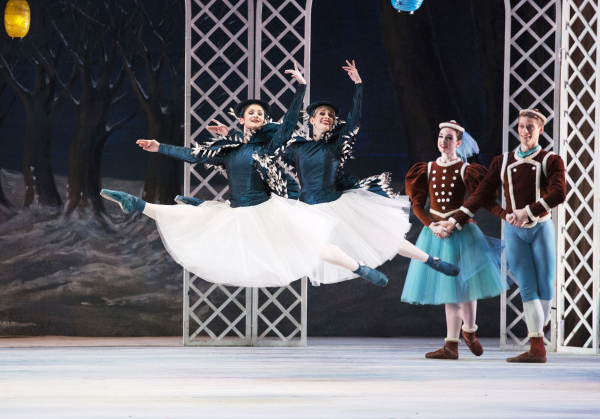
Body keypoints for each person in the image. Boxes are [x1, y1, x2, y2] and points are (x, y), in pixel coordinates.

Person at [100, 63, 388, 288]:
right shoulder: (229, 150)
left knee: (313, 248)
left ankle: (359, 268)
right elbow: (193, 155)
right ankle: (136, 204)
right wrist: (159, 147)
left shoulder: (269, 146)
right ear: (241, 119)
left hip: (265, 210)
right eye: (251, 112)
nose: (257, 115)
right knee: (191, 220)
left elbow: (287, 125)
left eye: (261, 114)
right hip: (238, 210)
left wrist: (300, 90)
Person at [209, 61, 460, 285]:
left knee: (379, 237)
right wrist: (231, 136)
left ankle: (431, 260)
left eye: (330, 115)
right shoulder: (297, 147)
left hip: (337, 203)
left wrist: (359, 87)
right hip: (309, 209)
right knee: (306, 246)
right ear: (311, 120)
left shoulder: (335, 146)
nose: (326, 117)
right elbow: (263, 148)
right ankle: (361, 269)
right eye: (321, 114)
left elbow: (353, 123)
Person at [444, 109, 566, 363]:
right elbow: (481, 195)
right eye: (521, 126)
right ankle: (537, 347)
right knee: (527, 286)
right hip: (514, 232)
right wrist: (458, 219)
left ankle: (537, 339)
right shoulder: (503, 162)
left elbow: (559, 193)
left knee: (545, 285)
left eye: (530, 126)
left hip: (541, 228)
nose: (524, 131)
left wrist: (528, 211)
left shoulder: (551, 160)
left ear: (540, 130)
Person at [401, 120, 508, 360]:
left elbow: (481, 200)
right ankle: (451, 344)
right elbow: (417, 204)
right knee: (450, 289)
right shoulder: (426, 168)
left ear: (458, 143)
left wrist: (502, 214)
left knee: (468, 285)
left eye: (449, 137)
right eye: (441, 136)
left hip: (462, 231)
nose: (443, 141)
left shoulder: (466, 169)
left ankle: (469, 331)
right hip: (437, 232)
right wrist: (432, 225)